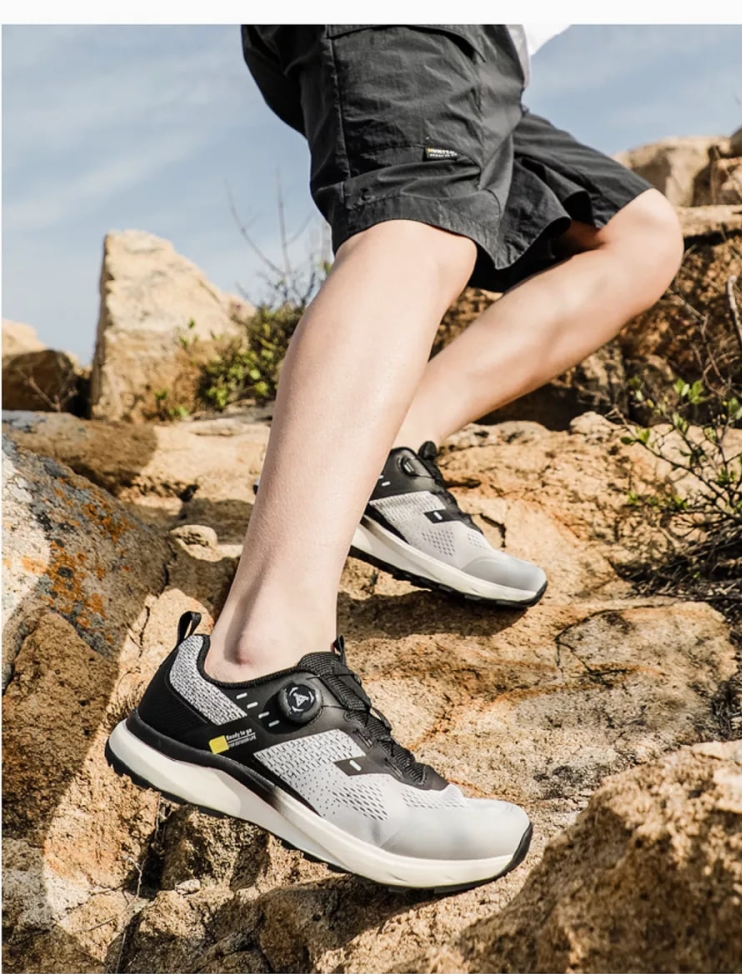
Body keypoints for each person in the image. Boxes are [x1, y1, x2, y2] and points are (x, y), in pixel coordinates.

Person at [106, 25, 683, 891]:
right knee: (417, 225)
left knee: (639, 236)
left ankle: (381, 451)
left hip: (492, 60)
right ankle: (253, 664)